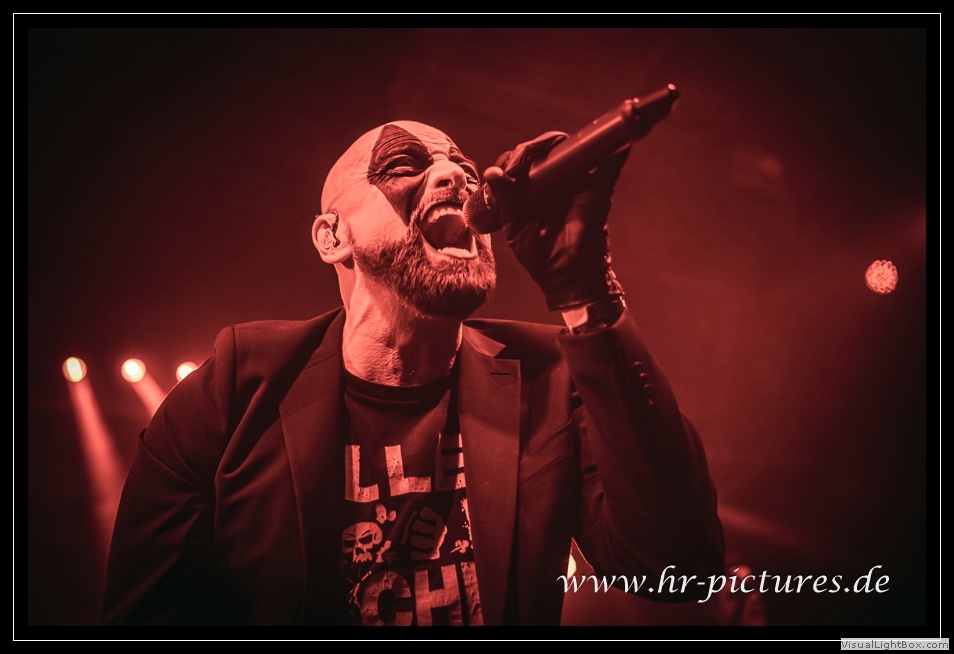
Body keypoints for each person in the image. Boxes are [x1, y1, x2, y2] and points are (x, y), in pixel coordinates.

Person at [100, 120, 725, 627]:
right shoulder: (236, 388)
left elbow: (680, 568)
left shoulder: (548, 379)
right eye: (404, 165)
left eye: (462, 167)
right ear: (331, 236)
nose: (455, 175)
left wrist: (586, 290)